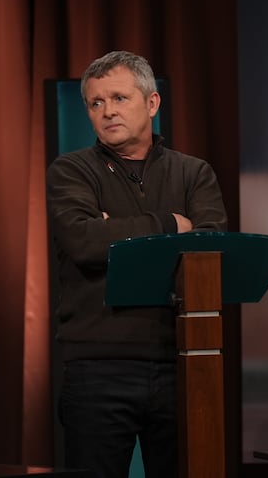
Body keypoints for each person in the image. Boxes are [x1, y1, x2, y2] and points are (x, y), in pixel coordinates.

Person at [46, 50, 227, 478]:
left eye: (119, 98)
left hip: (182, 362)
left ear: (152, 103)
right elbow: (85, 242)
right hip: (97, 368)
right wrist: (169, 224)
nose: (107, 111)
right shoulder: (72, 171)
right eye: (95, 103)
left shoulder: (193, 173)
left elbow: (210, 249)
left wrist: (119, 232)